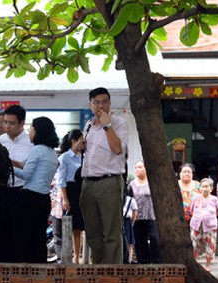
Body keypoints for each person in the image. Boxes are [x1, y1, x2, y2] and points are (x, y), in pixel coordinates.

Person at [79, 87, 129, 264]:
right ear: (90, 105)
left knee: (111, 232)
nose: (100, 106)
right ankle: (99, 271)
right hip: (88, 182)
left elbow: (117, 149)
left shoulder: (119, 123)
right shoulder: (88, 125)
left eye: (104, 102)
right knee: (92, 232)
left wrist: (107, 125)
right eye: (96, 102)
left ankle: (113, 274)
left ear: (110, 103)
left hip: (109, 181)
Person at [10, 117, 59, 263]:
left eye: (31, 129)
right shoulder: (51, 152)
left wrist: (7, 168)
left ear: (38, 131)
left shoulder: (37, 150)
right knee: (39, 237)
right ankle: (40, 268)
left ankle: (27, 269)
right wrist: (9, 161)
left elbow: (25, 174)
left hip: (30, 198)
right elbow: (23, 165)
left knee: (26, 235)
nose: (29, 132)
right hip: (44, 199)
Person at [0, 104, 32, 262]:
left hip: (21, 192)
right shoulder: (0, 140)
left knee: (19, 232)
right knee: (0, 232)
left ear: (22, 123)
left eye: (11, 123)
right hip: (1, 191)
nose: (7, 127)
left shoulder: (31, 142)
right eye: (5, 122)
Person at [57, 129, 85, 264]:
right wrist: (65, 199)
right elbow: (61, 180)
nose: (83, 144)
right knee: (71, 226)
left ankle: (79, 257)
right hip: (71, 190)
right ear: (73, 141)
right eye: (81, 141)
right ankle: (69, 256)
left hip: (84, 190)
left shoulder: (85, 156)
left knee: (80, 226)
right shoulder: (65, 157)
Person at [128, 161, 161, 264]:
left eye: (140, 167)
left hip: (151, 216)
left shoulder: (152, 183)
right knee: (139, 241)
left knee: (155, 238)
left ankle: (156, 262)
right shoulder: (131, 184)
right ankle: (143, 263)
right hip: (137, 217)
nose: (138, 169)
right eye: (136, 167)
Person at [189, 178, 218, 271]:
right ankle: (194, 263)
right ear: (200, 188)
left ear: (211, 188)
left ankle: (208, 265)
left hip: (210, 225)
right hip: (196, 225)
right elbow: (191, 209)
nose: (205, 188)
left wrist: (208, 218)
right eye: (203, 186)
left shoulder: (214, 199)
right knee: (194, 244)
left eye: (207, 186)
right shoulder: (196, 198)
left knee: (210, 245)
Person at [122, 188, 138, 264]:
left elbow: (134, 212)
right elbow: (134, 212)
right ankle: (129, 259)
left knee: (128, 241)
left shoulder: (127, 199)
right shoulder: (132, 200)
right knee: (130, 242)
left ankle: (127, 258)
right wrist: (132, 223)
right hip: (128, 221)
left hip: (124, 220)